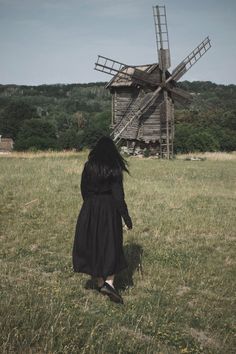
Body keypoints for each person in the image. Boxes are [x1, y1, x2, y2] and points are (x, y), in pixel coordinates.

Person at [72, 136, 132, 304]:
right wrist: (126, 218)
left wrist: (90, 208)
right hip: (109, 209)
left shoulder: (88, 166)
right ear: (112, 151)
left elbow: (84, 190)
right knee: (112, 244)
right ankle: (109, 283)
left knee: (93, 244)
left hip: (90, 207)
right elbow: (119, 196)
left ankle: (99, 283)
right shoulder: (114, 168)